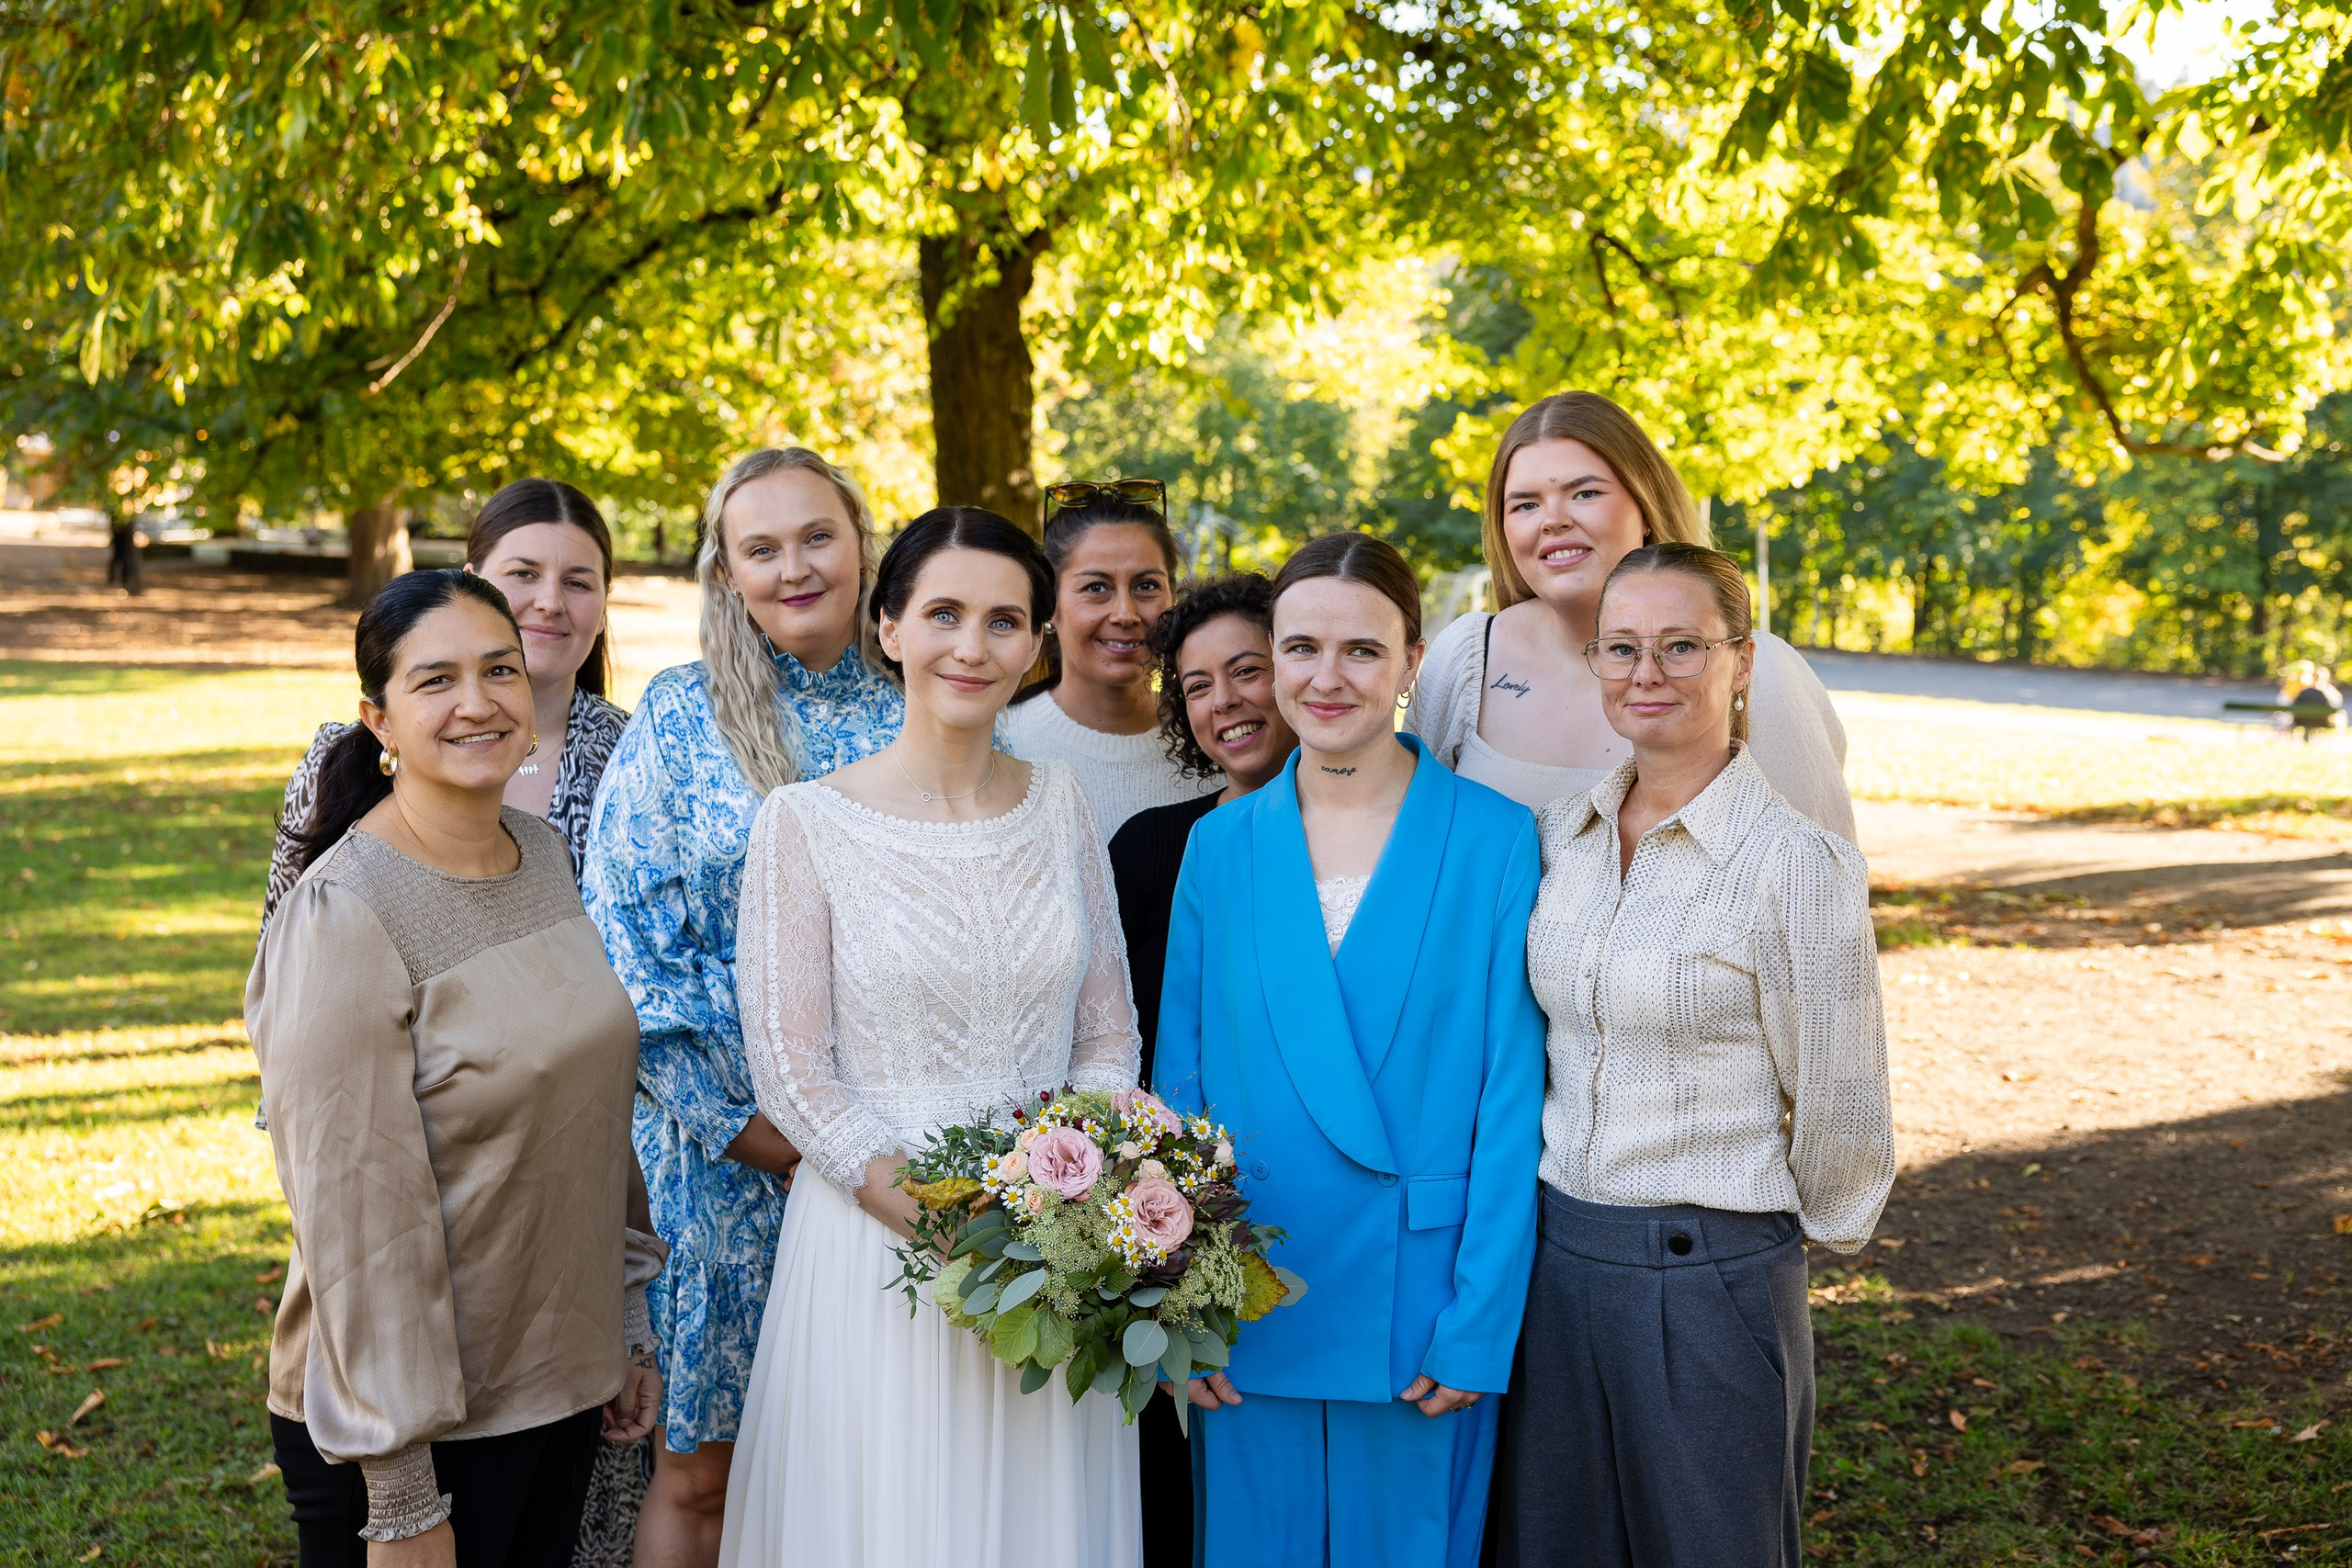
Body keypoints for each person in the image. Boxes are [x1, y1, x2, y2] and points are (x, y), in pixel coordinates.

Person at [718, 508, 1143, 1567]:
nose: (972, 646)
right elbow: (792, 1072)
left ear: (1036, 644)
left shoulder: (1064, 805)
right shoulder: (805, 823)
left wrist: (1063, 1202)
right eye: (944, 613)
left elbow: (1105, 1033)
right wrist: (936, 1217)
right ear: (890, 627)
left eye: (1004, 621)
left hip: (1053, 1253)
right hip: (879, 1253)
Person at [256, 480, 650, 1567]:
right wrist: (400, 1494)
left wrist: (622, 1322)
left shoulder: (546, 858)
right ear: (378, 720)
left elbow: (588, 1112)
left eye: (499, 670)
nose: (478, 702)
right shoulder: (346, 915)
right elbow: (358, 1225)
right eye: (435, 680)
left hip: (554, 1386)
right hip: (415, 1435)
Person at [1495, 542, 1894, 1567]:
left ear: (1741, 660)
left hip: (1708, 1272)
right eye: (1622, 647)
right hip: (1554, 1262)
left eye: (1681, 645)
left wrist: (1751, 1249)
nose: (1647, 671)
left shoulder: (1795, 865)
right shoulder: (1561, 838)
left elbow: (1844, 1110)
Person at [1154, 533, 1547, 1568]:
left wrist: (1480, 1322)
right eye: (1300, 648)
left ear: (1412, 659)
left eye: (1362, 650)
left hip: (1422, 1307)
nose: (1326, 678)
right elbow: (1179, 1091)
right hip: (1249, 1296)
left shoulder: (1495, 838)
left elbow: (1511, 1102)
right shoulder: (1219, 846)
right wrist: (1179, 1307)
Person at [582, 447, 904, 1568]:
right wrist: (763, 1138)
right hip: (722, 1157)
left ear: (861, 545)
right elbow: (629, 950)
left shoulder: (923, 701)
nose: (794, 567)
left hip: (892, 1146)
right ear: (726, 572)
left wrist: (861, 1150)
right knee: (706, 1473)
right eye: (761, 549)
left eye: (817, 537)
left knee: (871, 1455)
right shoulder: (681, 716)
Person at [1406, 392, 1856, 839]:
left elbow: (1816, 867)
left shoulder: (1752, 667)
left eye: (1585, 493)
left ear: (1645, 507)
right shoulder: (1467, 656)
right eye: (1525, 504)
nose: (1552, 520)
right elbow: (1406, 839)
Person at [1102, 571, 1300, 1568]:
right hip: (1185, 1221)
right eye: (1197, 685)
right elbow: (1121, 1056)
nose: (1225, 702)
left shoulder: (1401, 847)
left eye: (1247, 670)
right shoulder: (1150, 849)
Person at [265, 478, 631, 924]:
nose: (550, 602)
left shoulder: (639, 755)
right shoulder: (336, 762)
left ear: (604, 605)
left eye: (577, 583)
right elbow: (280, 942)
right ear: (472, 586)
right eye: (523, 574)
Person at [1000, 478, 1220, 839]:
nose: (1125, 614)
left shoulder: (1216, 739)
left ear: (1173, 598)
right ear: (1050, 605)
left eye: (1146, 586)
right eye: (1096, 587)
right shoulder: (1000, 741)